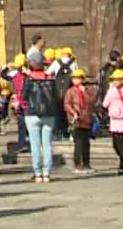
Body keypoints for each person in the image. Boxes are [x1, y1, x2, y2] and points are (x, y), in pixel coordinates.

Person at [20, 51, 58, 183]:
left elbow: (24, 96)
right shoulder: (50, 79)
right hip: (49, 114)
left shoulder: (29, 79)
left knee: (35, 145)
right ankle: (46, 173)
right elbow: (56, 96)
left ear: (32, 64)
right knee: (47, 144)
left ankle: (37, 174)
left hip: (32, 114)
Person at [62, 69, 94, 174]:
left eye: (78, 78)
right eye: (74, 78)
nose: (76, 80)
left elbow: (92, 102)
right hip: (76, 120)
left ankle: (86, 163)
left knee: (86, 144)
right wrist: (73, 112)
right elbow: (67, 104)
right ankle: (78, 164)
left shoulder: (87, 91)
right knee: (78, 143)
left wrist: (85, 92)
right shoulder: (70, 91)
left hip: (86, 119)